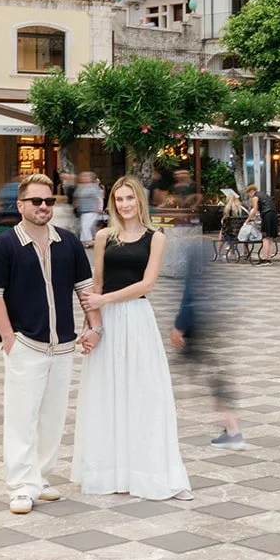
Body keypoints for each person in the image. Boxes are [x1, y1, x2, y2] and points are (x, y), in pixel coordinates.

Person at [0, 174, 95, 514]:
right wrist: (8, 338)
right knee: (21, 418)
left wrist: (95, 327)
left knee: (53, 417)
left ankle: (40, 477)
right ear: (20, 205)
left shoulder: (69, 243)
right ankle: (19, 485)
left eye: (49, 201)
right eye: (36, 201)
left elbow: (85, 291)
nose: (44, 207)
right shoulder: (3, 246)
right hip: (25, 344)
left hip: (62, 347)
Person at [73, 176, 192, 500]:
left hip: (137, 320)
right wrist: (91, 325)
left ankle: (155, 472)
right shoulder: (102, 236)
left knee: (146, 394)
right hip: (106, 321)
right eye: (119, 199)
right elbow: (96, 283)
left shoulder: (156, 238)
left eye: (130, 198)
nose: (125, 204)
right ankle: (110, 472)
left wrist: (104, 301)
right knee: (106, 394)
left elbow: (147, 285)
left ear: (140, 200)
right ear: (112, 203)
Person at [172, 240, 243, 449]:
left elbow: (188, 300)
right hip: (209, 332)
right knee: (215, 379)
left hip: (196, 333)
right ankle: (232, 429)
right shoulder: (212, 274)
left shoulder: (193, 275)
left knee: (212, 380)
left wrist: (178, 326)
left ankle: (233, 431)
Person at [245, 184, 278, 265]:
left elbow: (255, 209)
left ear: (251, 191)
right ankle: (268, 259)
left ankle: (264, 259)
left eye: (249, 194)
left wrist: (248, 219)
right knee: (270, 238)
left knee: (265, 237)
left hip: (267, 215)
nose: (249, 196)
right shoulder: (264, 195)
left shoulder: (255, 197)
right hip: (273, 214)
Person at [73, 171, 104, 246]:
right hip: (82, 210)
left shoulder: (94, 187)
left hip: (92, 209)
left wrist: (100, 208)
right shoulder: (80, 187)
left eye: (86, 177)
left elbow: (99, 198)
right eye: (83, 177)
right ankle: (84, 241)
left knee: (86, 225)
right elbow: (76, 197)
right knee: (83, 226)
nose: (84, 178)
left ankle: (87, 240)